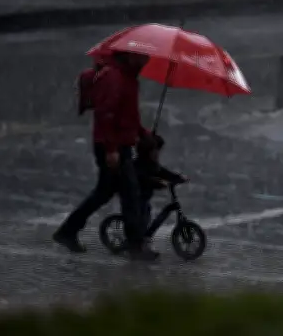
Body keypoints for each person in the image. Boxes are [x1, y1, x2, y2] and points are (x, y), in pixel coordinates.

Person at [54, 51, 159, 261]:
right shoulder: (114, 77)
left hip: (119, 145)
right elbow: (106, 114)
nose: (146, 61)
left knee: (104, 192)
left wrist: (141, 134)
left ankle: (67, 231)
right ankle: (136, 245)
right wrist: (111, 149)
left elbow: (127, 115)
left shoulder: (128, 77)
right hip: (113, 147)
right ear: (130, 56)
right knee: (130, 194)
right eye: (143, 57)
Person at [134, 134, 187, 245]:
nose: (158, 154)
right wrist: (157, 182)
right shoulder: (138, 165)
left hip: (145, 196)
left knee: (146, 215)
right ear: (147, 152)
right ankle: (138, 243)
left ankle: (144, 237)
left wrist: (178, 177)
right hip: (136, 197)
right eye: (156, 151)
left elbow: (163, 172)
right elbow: (144, 179)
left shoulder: (152, 164)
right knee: (142, 220)